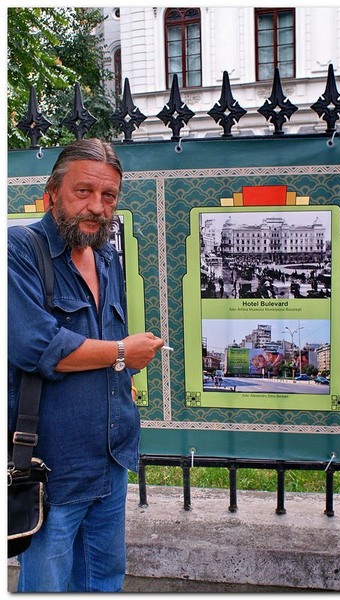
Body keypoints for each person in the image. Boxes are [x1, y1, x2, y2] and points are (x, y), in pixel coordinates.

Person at [8, 138, 164, 592]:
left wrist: (121, 374)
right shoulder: (18, 250)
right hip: (52, 467)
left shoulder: (107, 256)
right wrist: (121, 354)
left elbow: (108, 335)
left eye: (109, 195)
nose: (97, 206)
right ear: (51, 193)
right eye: (84, 191)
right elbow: (35, 346)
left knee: (104, 583)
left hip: (111, 457)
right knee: (48, 587)